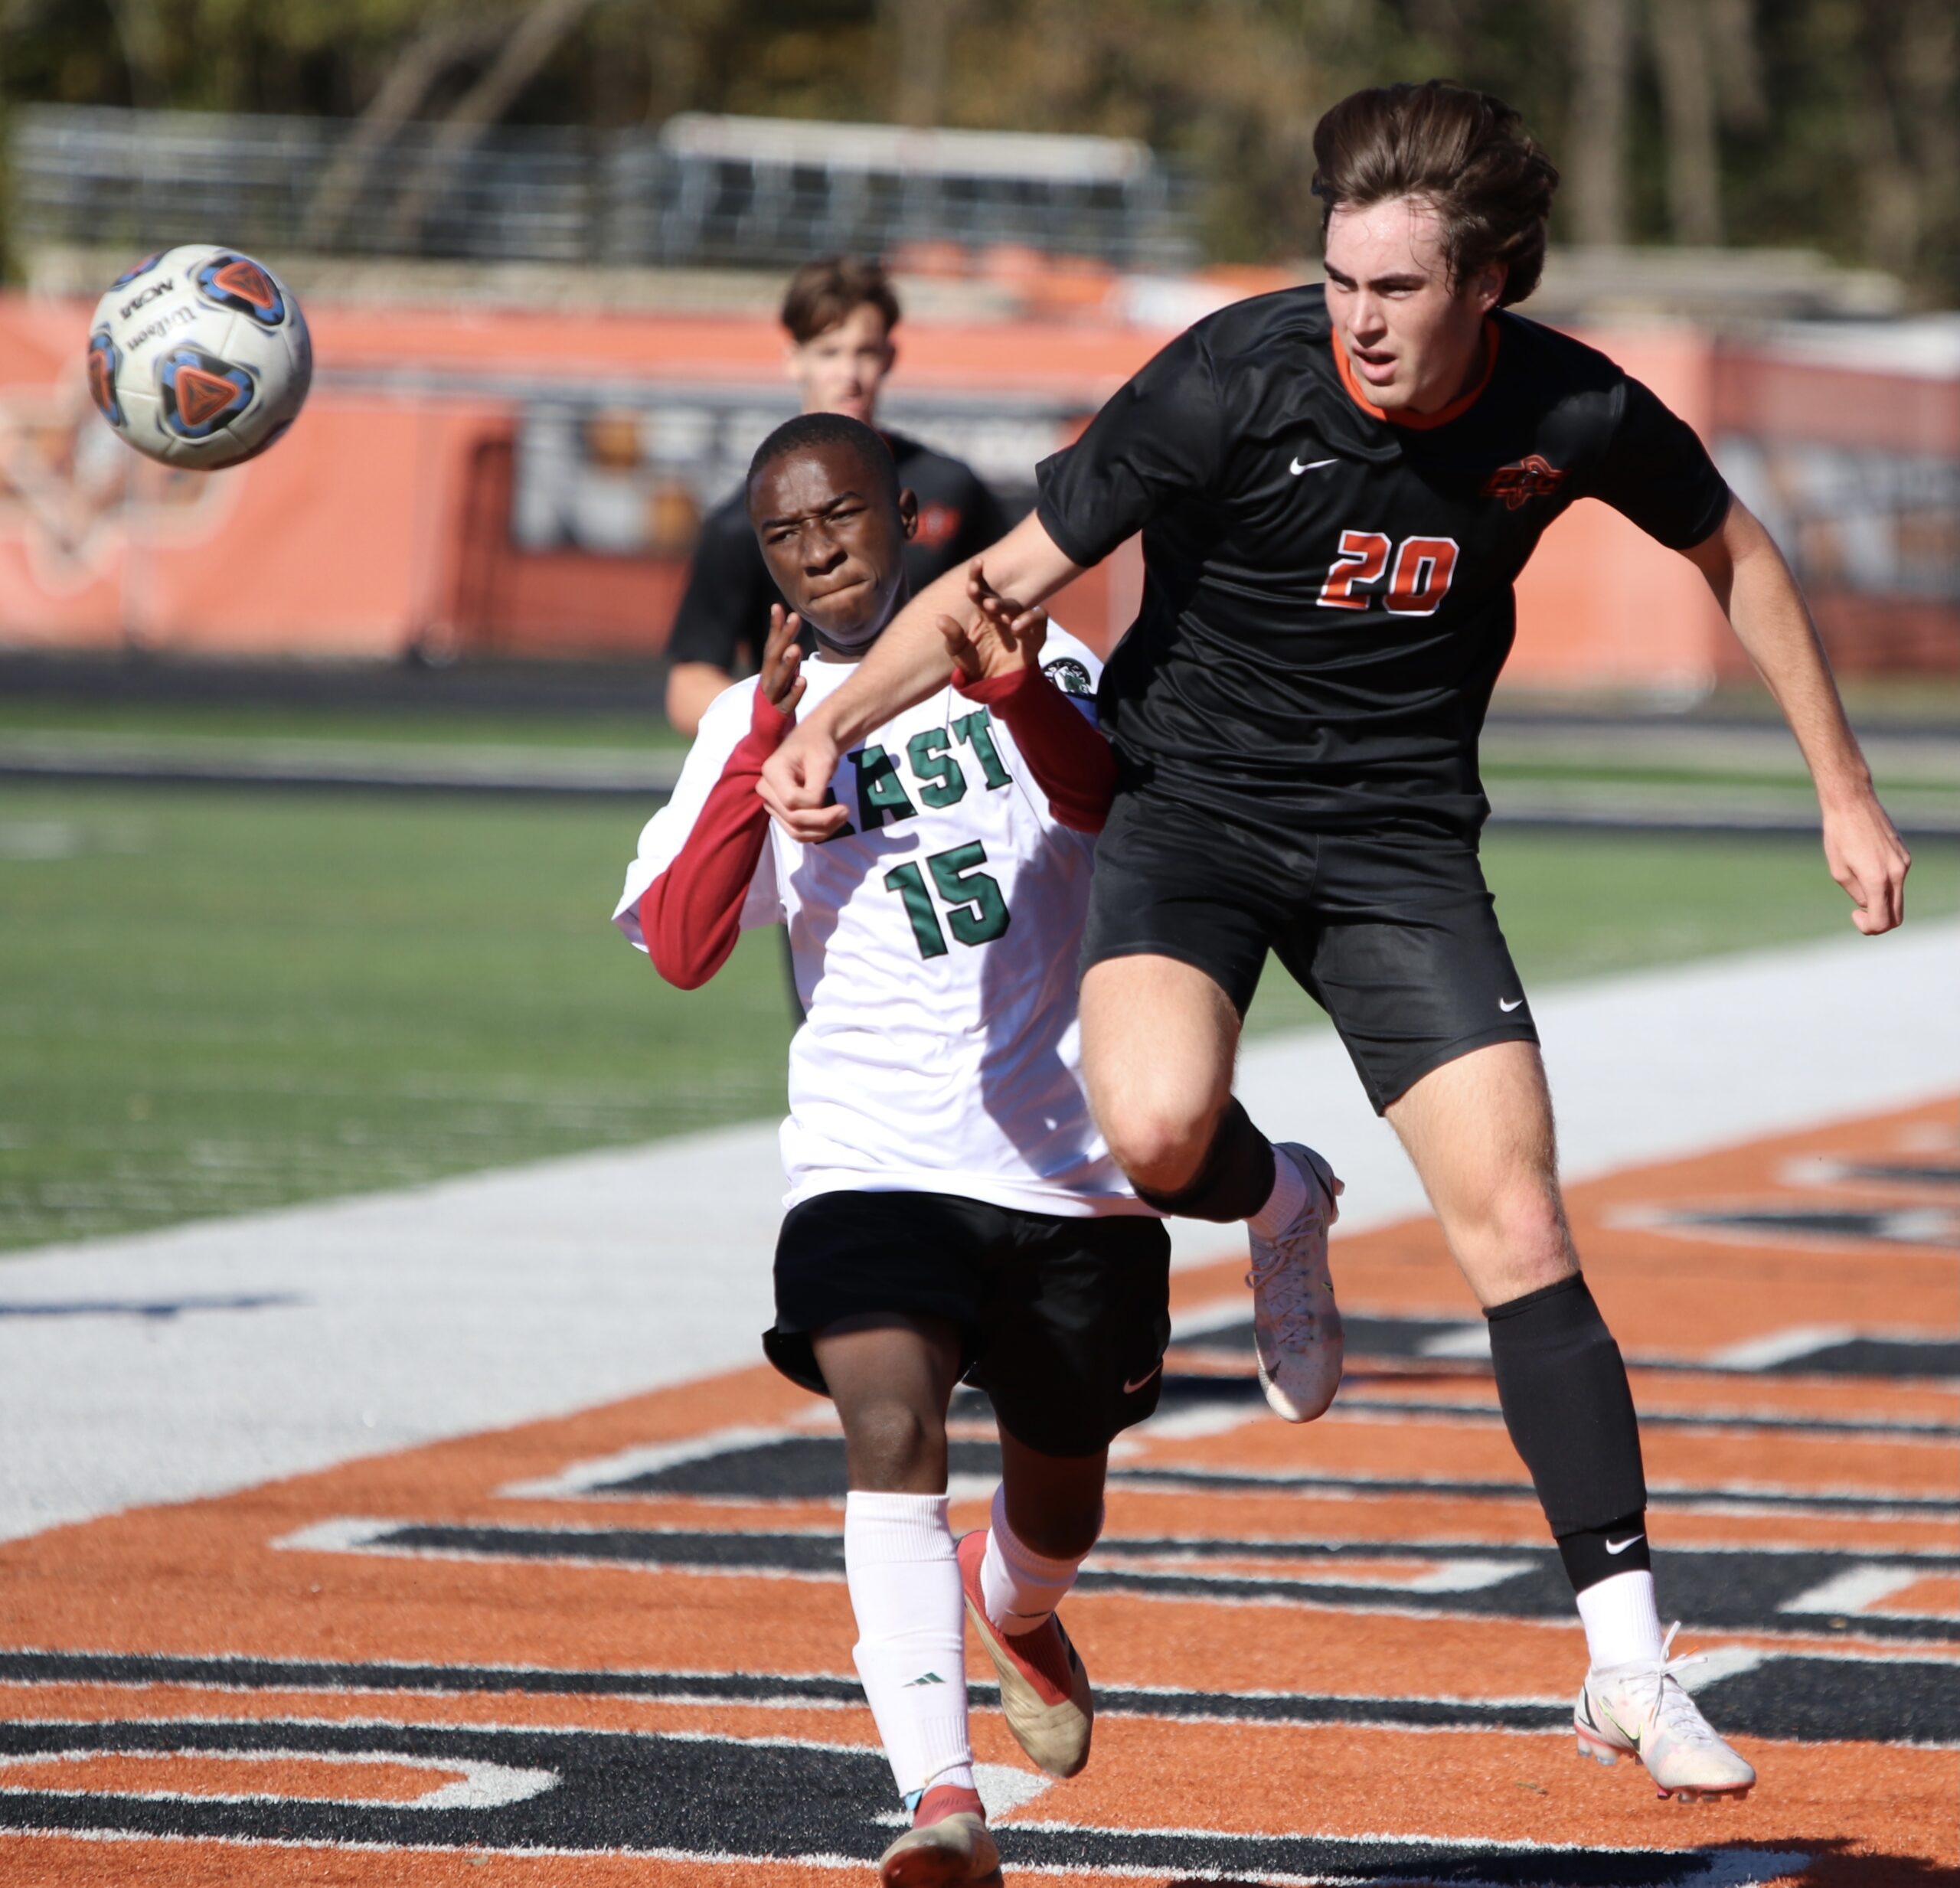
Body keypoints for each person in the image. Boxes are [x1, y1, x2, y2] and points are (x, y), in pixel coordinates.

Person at [756, 81, 1914, 1806]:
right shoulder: (1228, 380)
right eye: (1339, 280)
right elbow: (995, 582)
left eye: (1396, 288)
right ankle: (1280, 1200)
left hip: (1396, 846)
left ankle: (1625, 1665)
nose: (1357, 319)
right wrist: (831, 725)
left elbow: (1731, 547)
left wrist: (1842, 785)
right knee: (1155, 1132)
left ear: (1488, 283)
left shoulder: (1571, 407)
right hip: (1190, 818)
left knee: (1520, 1220)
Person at [615, 412, 1169, 1886]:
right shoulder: (752, 717)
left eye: (841, 518)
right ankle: (944, 1799)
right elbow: (682, 946)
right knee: (887, 1433)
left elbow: (1114, 806)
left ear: (910, 519)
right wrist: (758, 752)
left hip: (1065, 1162)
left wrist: (1012, 693)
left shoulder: (1035, 652)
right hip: (870, 1152)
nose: (816, 553)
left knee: (1061, 1505)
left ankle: (1018, 1604)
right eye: (785, 536)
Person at [663, 256, 1008, 738]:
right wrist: (805, 728)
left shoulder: (953, 487)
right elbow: (689, 685)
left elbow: (1012, 620)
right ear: (793, 358)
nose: (849, 374)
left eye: (864, 351)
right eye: (829, 352)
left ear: (890, 356)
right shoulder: (742, 521)